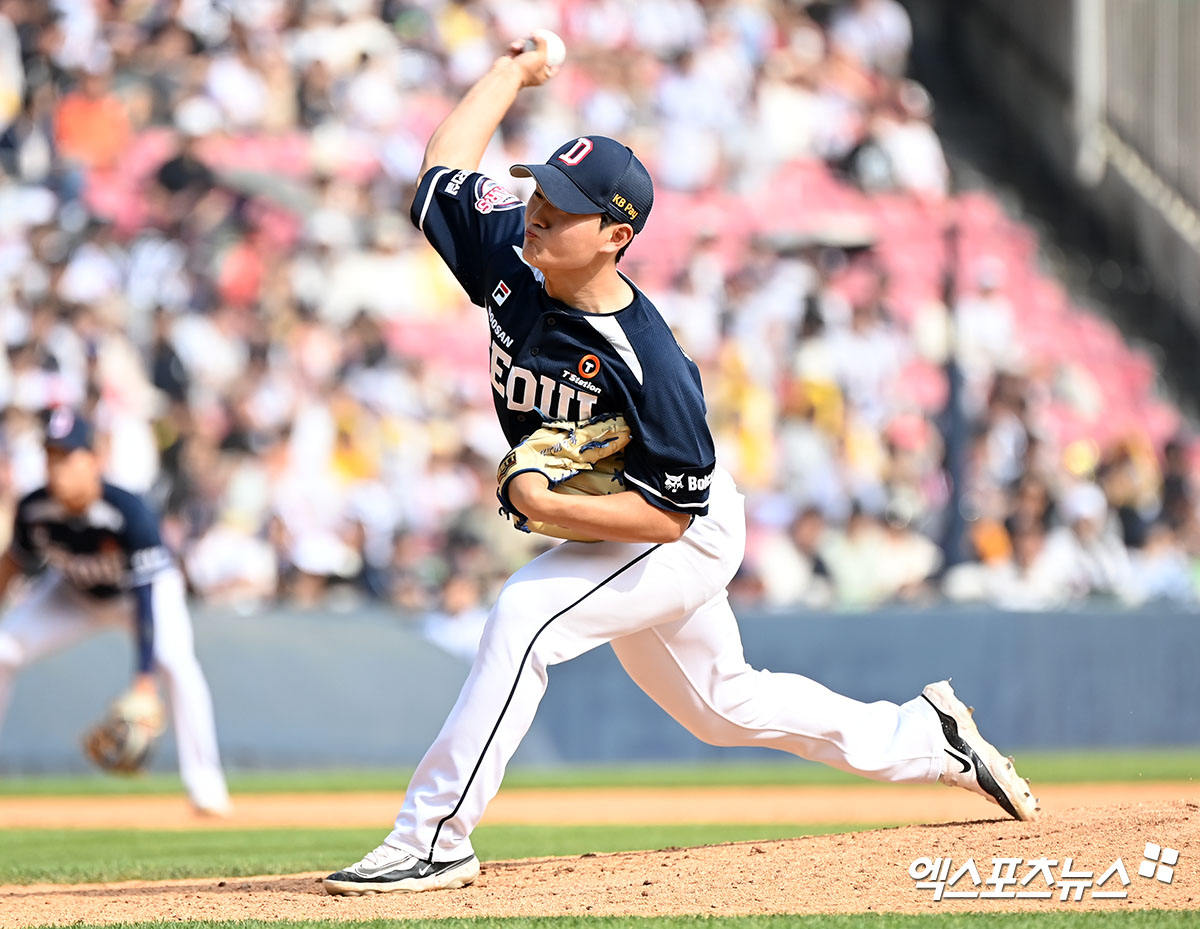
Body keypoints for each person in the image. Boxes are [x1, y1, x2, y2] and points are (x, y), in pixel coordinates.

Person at [323, 35, 1038, 897]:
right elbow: (440, 170)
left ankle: (434, 834)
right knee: (723, 704)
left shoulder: (650, 360)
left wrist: (545, 510)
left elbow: (667, 518)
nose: (538, 210)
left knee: (523, 619)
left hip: (677, 527)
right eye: (540, 190)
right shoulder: (511, 249)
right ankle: (930, 738)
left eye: (563, 205)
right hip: (620, 516)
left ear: (616, 235)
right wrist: (510, 72)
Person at [0, 409, 230, 815]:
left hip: (143, 594)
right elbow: (13, 566)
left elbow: (144, 599)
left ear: (94, 460)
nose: (57, 468)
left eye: (67, 456)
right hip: (71, 594)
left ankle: (206, 785)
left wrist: (143, 679)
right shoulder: (35, 508)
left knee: (176, 664)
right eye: (51, 456)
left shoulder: (128, 510)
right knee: (3, 651)